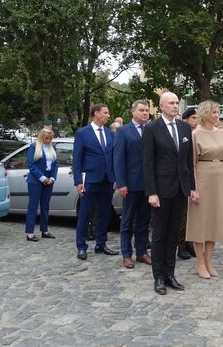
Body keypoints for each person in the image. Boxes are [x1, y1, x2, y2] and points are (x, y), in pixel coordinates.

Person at [143, 91, 197, 295]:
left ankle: (170, 273)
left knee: (174, 234)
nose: (176, 106)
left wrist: (191, 186)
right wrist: (152, 192)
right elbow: (148, 163)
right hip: (161, 190)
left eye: (177, 102)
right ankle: (158, 276)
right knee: (159, 235)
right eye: (171, 103)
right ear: (161, 106)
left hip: (180, 189)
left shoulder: (184, 127)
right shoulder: (152, 129)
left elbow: (187, 161)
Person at [187, 101, 223, 278]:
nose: (216, 115)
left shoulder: (221, 133)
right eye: (213, 112)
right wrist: (194, 188)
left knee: (214, 221)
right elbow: (191, 164)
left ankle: (209, 260)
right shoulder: (195, 134)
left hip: (218, 179)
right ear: (205, 113)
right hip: (202, 177)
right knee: (200, 222)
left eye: (218, 112)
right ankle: (199, 261)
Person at [72, 104, 118, 260]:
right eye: (106, 113)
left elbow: (113, 158)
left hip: (107, 180)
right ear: (96, 114)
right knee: (85, 214)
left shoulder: (110, 134)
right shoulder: (82, 133)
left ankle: (101, 244)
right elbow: (77, 159)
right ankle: (82, 246)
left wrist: (115, 178)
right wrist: (78, 181)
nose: (108, 115)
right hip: (90, 180)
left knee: (104, 214)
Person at [113, 100, 152, 269]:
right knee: (127, 220)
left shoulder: (150, 130)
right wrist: (121, 183)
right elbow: (118, 159)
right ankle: (126, 254)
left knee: (144, 220)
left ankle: (142, 251)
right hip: (129, 184)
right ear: (133, 112)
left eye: (147, 110)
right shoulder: (123, 131)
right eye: (142, 110)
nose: (145, 113)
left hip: (148, 184)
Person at [24, 128, 58, 242]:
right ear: (41, 137)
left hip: (49, 179)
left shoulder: (53, 148)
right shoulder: (34, 147)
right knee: (33, 206)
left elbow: (55, 164)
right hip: (35, 180)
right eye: (46, 138)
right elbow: (31, 164)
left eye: (50, 138)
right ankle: (29, 233)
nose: (48, 140)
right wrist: (42, 178)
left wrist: (52, 177)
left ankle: (45, 230)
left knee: (45, 206)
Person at [177, 106, 198, 260]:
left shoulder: (197, 134)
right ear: (186, 119)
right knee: (183, 215)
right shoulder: (181, 133)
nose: (196, 121)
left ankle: (190, 243)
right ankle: (181, 245)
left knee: (193, 214)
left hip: (196, 177)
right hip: (182, 179)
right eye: (193, 118)